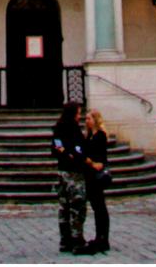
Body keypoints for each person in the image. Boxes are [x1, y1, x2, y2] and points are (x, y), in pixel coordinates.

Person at [52, 101, 88, 253]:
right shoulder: (73, 128)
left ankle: (65, 240)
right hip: (74, 173)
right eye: (78, 113)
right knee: (77, 207)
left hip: (62, 172)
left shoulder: (58, 127)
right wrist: (75, 156)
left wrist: (64, 153)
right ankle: (77, 240)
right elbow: (78, 148)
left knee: (64, 207)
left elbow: (56, 147)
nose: (80, 116)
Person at [78, 108, 111, 256]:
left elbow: (100, 158)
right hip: (89, 174)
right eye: (85, 119)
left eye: (88, 119)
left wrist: (89, 160)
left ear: (95, 120)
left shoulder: (100, 136)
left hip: (96, 174)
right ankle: (100, 237)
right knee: (97, 206)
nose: (86, 121)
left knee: (100, 207)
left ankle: (103, 238)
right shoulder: (89, 136)